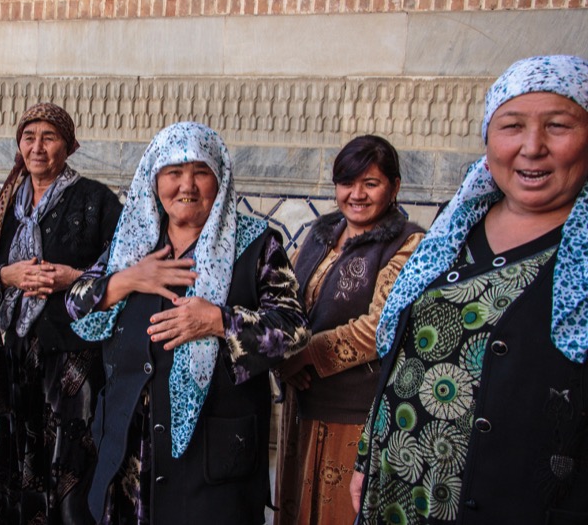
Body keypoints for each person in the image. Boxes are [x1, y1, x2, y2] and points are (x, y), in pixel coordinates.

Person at [351, 55, 588, 524]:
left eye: (558, 126)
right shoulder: (456, 230)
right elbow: (408, 358)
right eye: (512, 126)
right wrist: (367, 457)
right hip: (401, 481)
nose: (532, 147)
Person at [66, 121, 309, 524]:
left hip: (211, 460)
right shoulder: (134, 241)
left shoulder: (256, 244)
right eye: (173, 173)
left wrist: (219, 321)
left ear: (220, 179)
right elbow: (76, 307)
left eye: (200, 172)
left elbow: (294, 329)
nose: (187, 186)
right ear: (154, 178)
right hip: (129, 449)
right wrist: (129, 279)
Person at [0, 102, 122, 524]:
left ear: (70, 146)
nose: (37, 147)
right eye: (29, 137)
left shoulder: (95, 200)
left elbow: (124, 270)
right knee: (22, 449)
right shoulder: (6, 204)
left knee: (71, 458)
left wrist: (71, 277)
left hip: (75, 354)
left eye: (49, 137)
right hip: (18, 351)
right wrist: (8, 273)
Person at [274, 135, 424, 525]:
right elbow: (282, 302)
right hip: (301, 408)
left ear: (394, 187)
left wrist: (301, 354)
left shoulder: (408, 242)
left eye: (370, 183)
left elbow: (380, 325)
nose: (356, 194)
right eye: (346, 183)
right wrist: (281, 356)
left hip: (356, 415)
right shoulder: (320, 234)